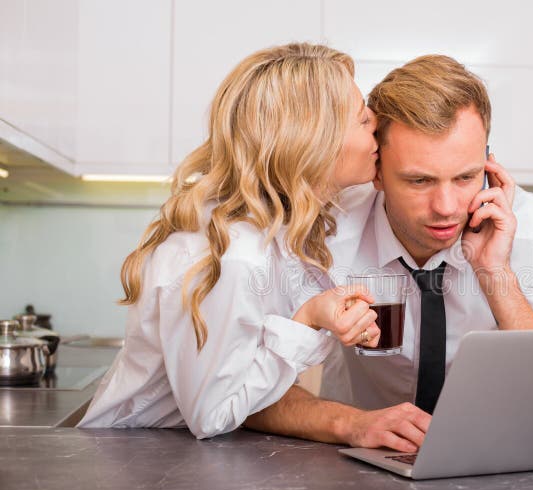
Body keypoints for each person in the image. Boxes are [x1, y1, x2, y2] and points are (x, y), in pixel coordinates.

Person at [243, 54, 533, 452]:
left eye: (466, 177)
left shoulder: (528, 223)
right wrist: (351, 424)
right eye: (420, 181)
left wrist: (493, 270)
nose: (447, 206)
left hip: (496, 453)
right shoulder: (327, 229)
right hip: (358, 459)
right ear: (377, 171)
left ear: (489, 163)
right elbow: (247, 392)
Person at [78, 43, 383, 439]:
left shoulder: (272, 229)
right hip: (136, 455)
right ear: (312, 143)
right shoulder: (236, 256)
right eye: (361, 119)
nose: (375, 122)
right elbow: (214, 415)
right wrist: (308, 319)